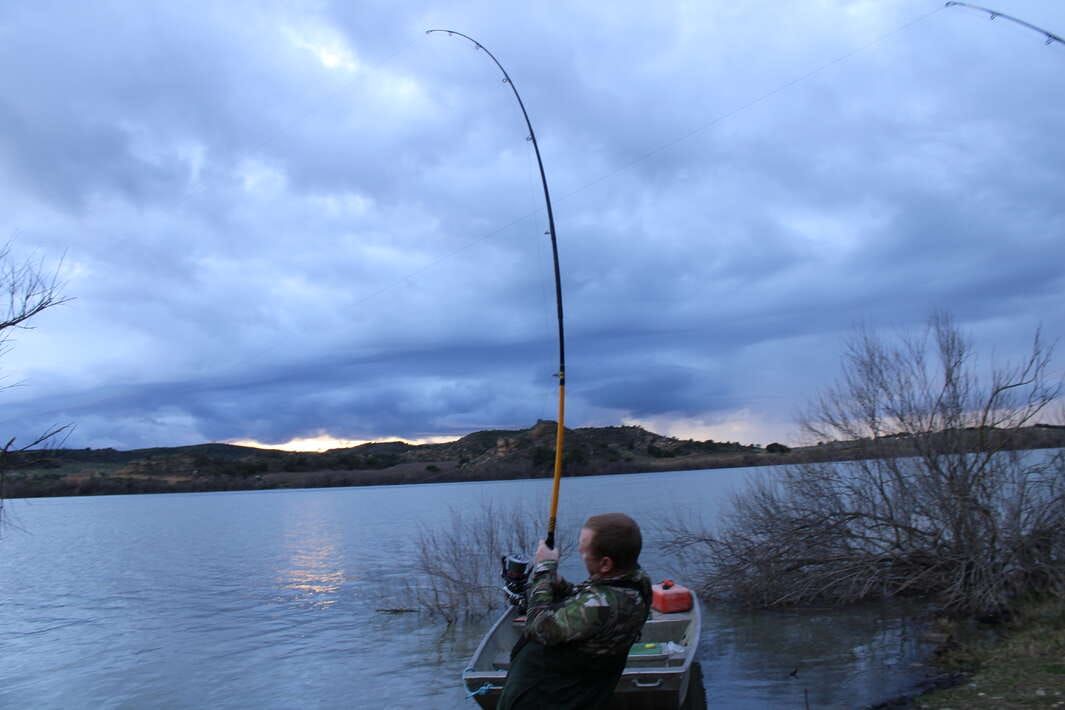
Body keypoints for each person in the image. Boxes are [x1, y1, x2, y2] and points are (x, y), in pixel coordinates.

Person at [498, 512, 652, 710]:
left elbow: (537, 628)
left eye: (584, 549)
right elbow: (584, 599)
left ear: (606, 564)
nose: (579, 549)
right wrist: (554, 583)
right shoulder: (636, 582)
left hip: (550, 698)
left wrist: (544, 569)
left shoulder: (600, 605)